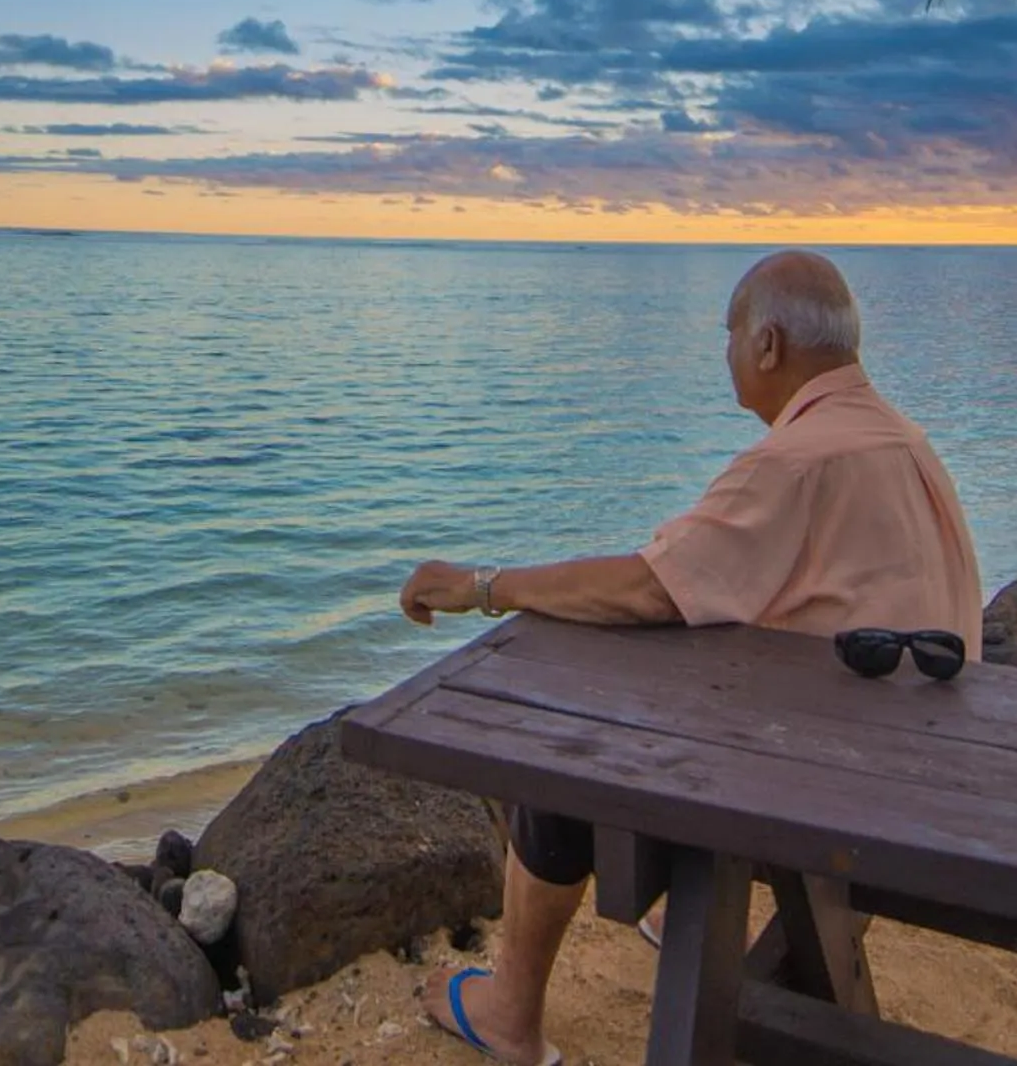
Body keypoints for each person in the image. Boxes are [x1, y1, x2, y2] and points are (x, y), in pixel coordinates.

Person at [396, 249, 983, 1066]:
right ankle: (677, 912)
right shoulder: (902, 440)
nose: (728, 355)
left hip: (850, 806)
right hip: (924, 770)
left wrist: (484, 584)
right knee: (694, 656)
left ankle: (510, 1017)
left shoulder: (794, 462)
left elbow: (647, 587)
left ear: (768, 344)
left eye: (731, 336)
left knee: (560, 759)